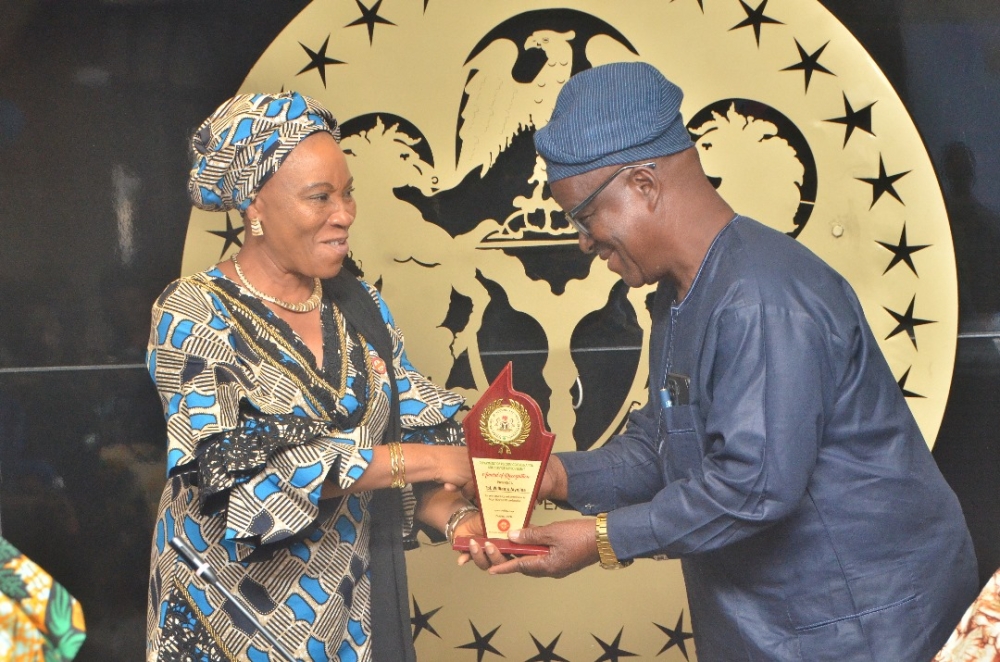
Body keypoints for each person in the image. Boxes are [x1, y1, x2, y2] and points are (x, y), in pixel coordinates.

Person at [468, 62, 979, 661]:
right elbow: (662, 445)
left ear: (644, 184)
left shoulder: (763, 297)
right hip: (774, 626)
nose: (583, 242)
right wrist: (551, 477)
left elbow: (752, 488)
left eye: (584, 217)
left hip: (862, 627)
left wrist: (601, 539)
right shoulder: (680, 298)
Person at [145, 91, 482, 662]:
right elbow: (249, 478)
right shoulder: (192, 313)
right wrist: (432, 461)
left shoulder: (359, 304)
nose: (344, 213)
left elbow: (417, 425)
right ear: (255, 206)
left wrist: (460, 518)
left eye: (348, 192)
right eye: (319, 197)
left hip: (353, 621)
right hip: (229, 623)